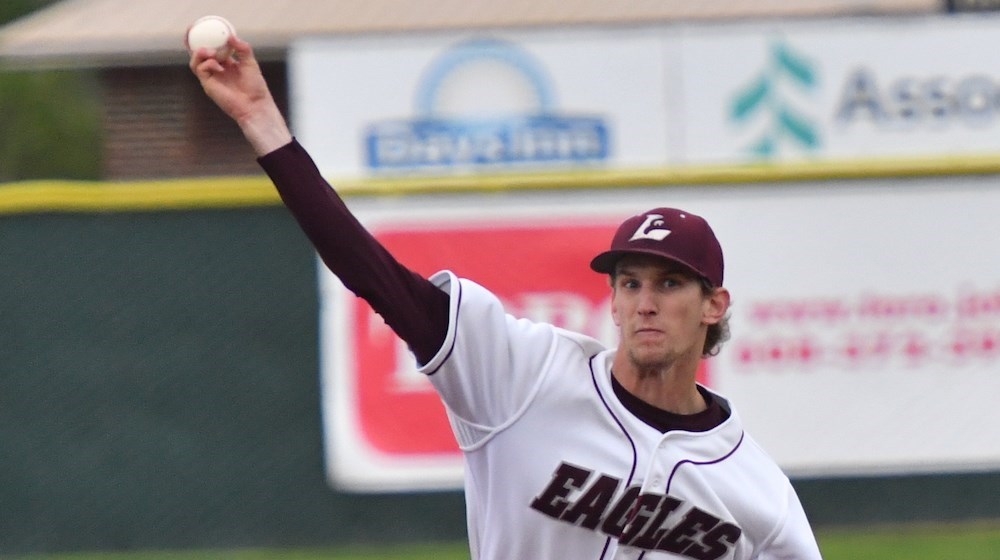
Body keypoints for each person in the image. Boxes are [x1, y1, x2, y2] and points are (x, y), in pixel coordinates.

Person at [189, 35, 824, 560]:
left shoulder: (757, 493)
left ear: (714, 305)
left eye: (670, 283)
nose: (645, 302)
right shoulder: (523, 376)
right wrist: (259, 120)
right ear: (612, 298)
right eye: (630, 282)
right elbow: (373, 274)